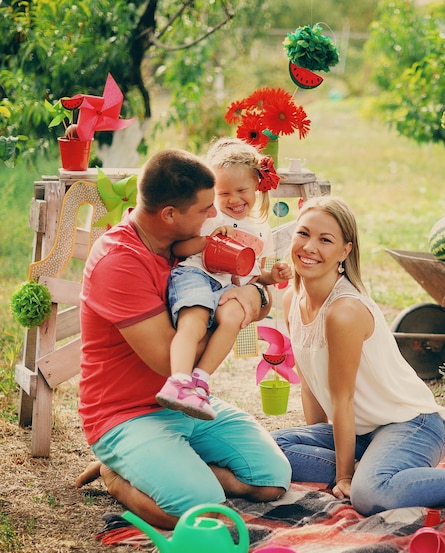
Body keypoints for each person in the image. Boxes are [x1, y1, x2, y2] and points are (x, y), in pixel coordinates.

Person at [271, 196, 445, 516]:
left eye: (325, 239)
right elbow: (310, 383)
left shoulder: (343, 311)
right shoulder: (292, 299)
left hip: (412, 423)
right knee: (267, 449)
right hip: (362, 431)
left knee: (368, 493)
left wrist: (344, 477)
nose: (309, 247)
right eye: (303, 233)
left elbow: (342, 398)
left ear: (345, 251)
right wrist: (318, 439)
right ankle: (375, 466)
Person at [77, 148, 291, 529]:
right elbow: (169, 361)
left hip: (187, 403)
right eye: (205, 209)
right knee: (204, 513)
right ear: (169, 214)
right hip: (127, 414)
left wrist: (256, 296)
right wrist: (234, 317)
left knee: (273, 479)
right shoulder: (119, 261)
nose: (214, 215)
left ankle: (184, 469)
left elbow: (254, 289)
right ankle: (116, 475)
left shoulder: (187, 243)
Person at [155, 138, 292, 420]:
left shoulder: (261, 230)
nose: (234, 199)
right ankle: (178, 380)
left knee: (231, 319)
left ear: (256, 185)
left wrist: (270, 276)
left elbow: (252, 275)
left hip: (229, 287)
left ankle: (201, 381)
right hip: (194, 274)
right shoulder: (208, 217)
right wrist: (206, 242)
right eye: (224, 192)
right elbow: (177, 250)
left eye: (242, 190)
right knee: (193, 320)